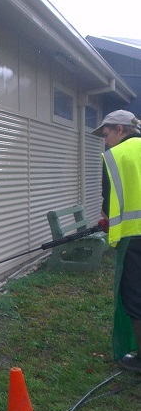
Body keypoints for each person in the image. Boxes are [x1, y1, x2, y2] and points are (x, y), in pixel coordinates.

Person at [92, 109, 141, 372]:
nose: (105, 139)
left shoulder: (115, 157)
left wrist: (109, 219)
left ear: (121, 130)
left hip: (134, 237)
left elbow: (108, 206)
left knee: (134, 294)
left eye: (107, 132)